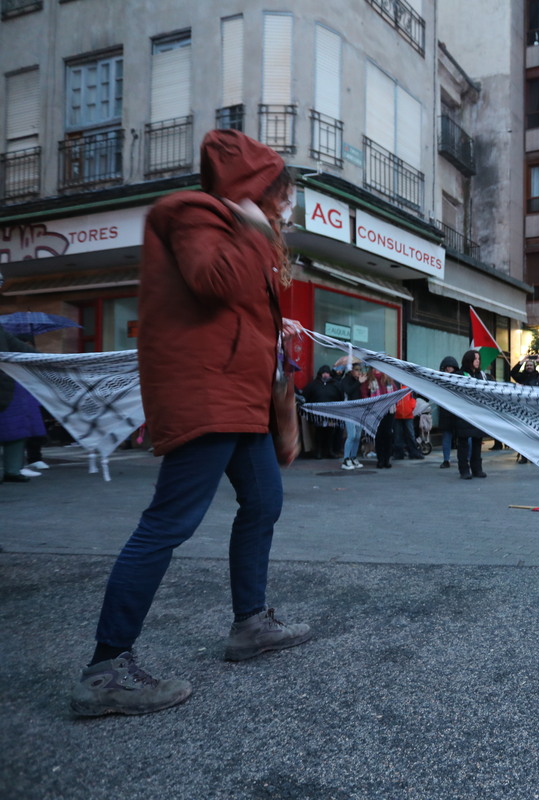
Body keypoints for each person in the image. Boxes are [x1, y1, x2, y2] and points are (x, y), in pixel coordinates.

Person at [70, 129, 311, 717]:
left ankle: (250, 624)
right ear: (260, 186)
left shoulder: (231, 227)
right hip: (209, 394)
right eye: (284, 193)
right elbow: (213, 284)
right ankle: (104, 671)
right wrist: (254, 225)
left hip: (238, 398)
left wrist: (271, 338)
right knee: (168, 523)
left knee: (263, 503)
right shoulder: (191, 212)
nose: (287, 205)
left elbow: (230, 308)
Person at [0, 329, 40, 483]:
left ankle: (13, 470)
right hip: (7, 386)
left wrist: (56, 361)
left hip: (6, 389)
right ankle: (12, 470)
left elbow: (26, 351)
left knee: (16, 431)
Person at [512, 353, 539, 463]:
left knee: (536, 433)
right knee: (524, 434)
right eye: (527, 365)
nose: (529, 367)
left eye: (531, 365)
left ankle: (535, 456)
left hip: (537, 409)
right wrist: (522, 361)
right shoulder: (521, 377)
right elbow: (512, 373)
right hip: (524, 409)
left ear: (534, 366)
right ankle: (524, 456)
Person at [457, 349, 488, 479]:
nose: (478, 361)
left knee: (477, 442)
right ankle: (464, 470)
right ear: (469, 360)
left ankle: (477, 469)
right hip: (464, 413)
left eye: (479, 359)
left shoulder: (482, 375)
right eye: (475, 359)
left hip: (478, 413)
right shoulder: (459, 374)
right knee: (463, 443)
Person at [301, 364, 342, 458]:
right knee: (319, 433)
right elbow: (305, 396)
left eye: (327, 373)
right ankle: (318, 452)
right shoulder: (314, 384)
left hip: (332, 413)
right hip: (318, 414)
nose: (325, 375)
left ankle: (329, 451)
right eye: (324, 373)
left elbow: (341, 396)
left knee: (330, 433)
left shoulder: (335, 384)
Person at [339, 362, 367, 470]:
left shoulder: (360, 380)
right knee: (351, 435)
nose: (359, 372)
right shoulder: (346, 380)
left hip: (359, 410)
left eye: (360, 370)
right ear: (351, 371)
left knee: (358, 435)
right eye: (357, 369)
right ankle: (346, 459)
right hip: (349, 409)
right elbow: (348, 391)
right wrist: (359, 383)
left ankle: (353, 457)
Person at [437, 356, 460, 468]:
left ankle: (466, 459)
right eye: (447, 367)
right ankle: (446, 460)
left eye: (450, 367)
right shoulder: (439, 377)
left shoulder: (459, 378)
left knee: (463, 438)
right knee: (447, 436)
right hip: (446, 412)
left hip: (456, 411)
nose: (449, 369)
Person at [393, 388, 424, 461]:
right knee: (405, 435)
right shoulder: (406, 386)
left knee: (401, 435)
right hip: (404, 413)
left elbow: (413, 399)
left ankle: (401, 453)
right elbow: (413, 398)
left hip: (403, 413)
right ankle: (410, 452)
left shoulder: (402, 386)